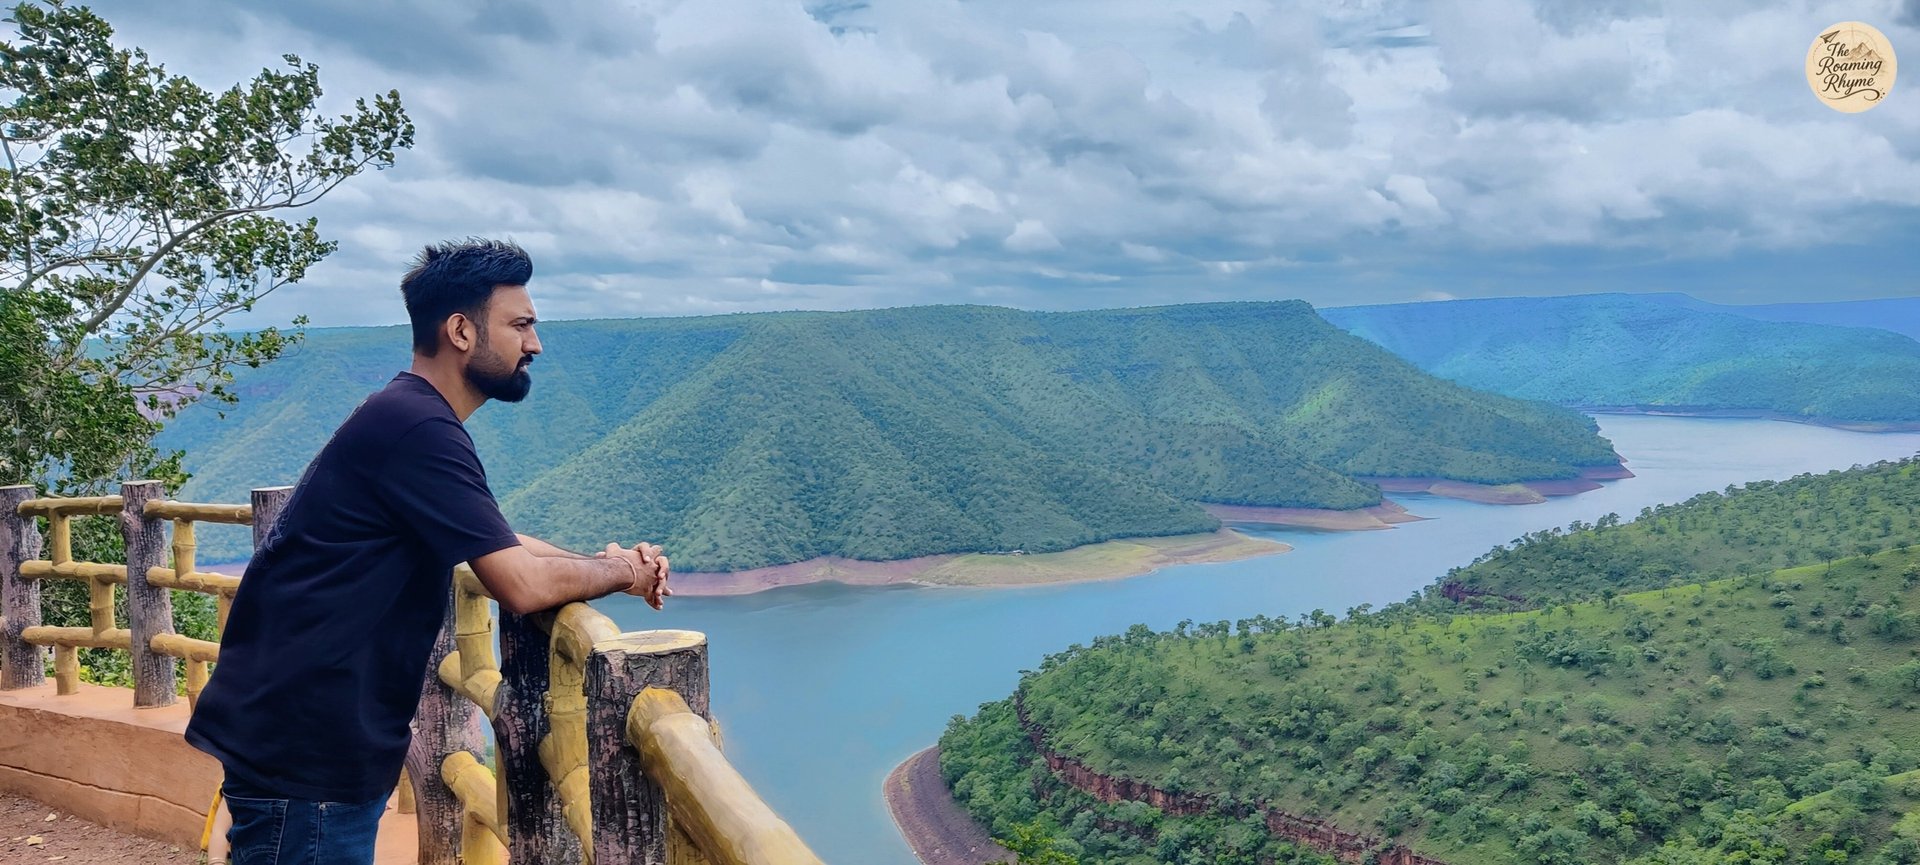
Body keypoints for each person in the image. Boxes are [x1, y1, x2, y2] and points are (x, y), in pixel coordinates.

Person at [184, 239, 670, 865]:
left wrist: (608, 568)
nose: (535, 344)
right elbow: (518, 583)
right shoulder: (418, 428)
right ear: (461, 330)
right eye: (520, 325)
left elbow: (497, 540)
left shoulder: (406, 415)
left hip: (305, 737)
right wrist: (621, 569)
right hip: (306, 752)